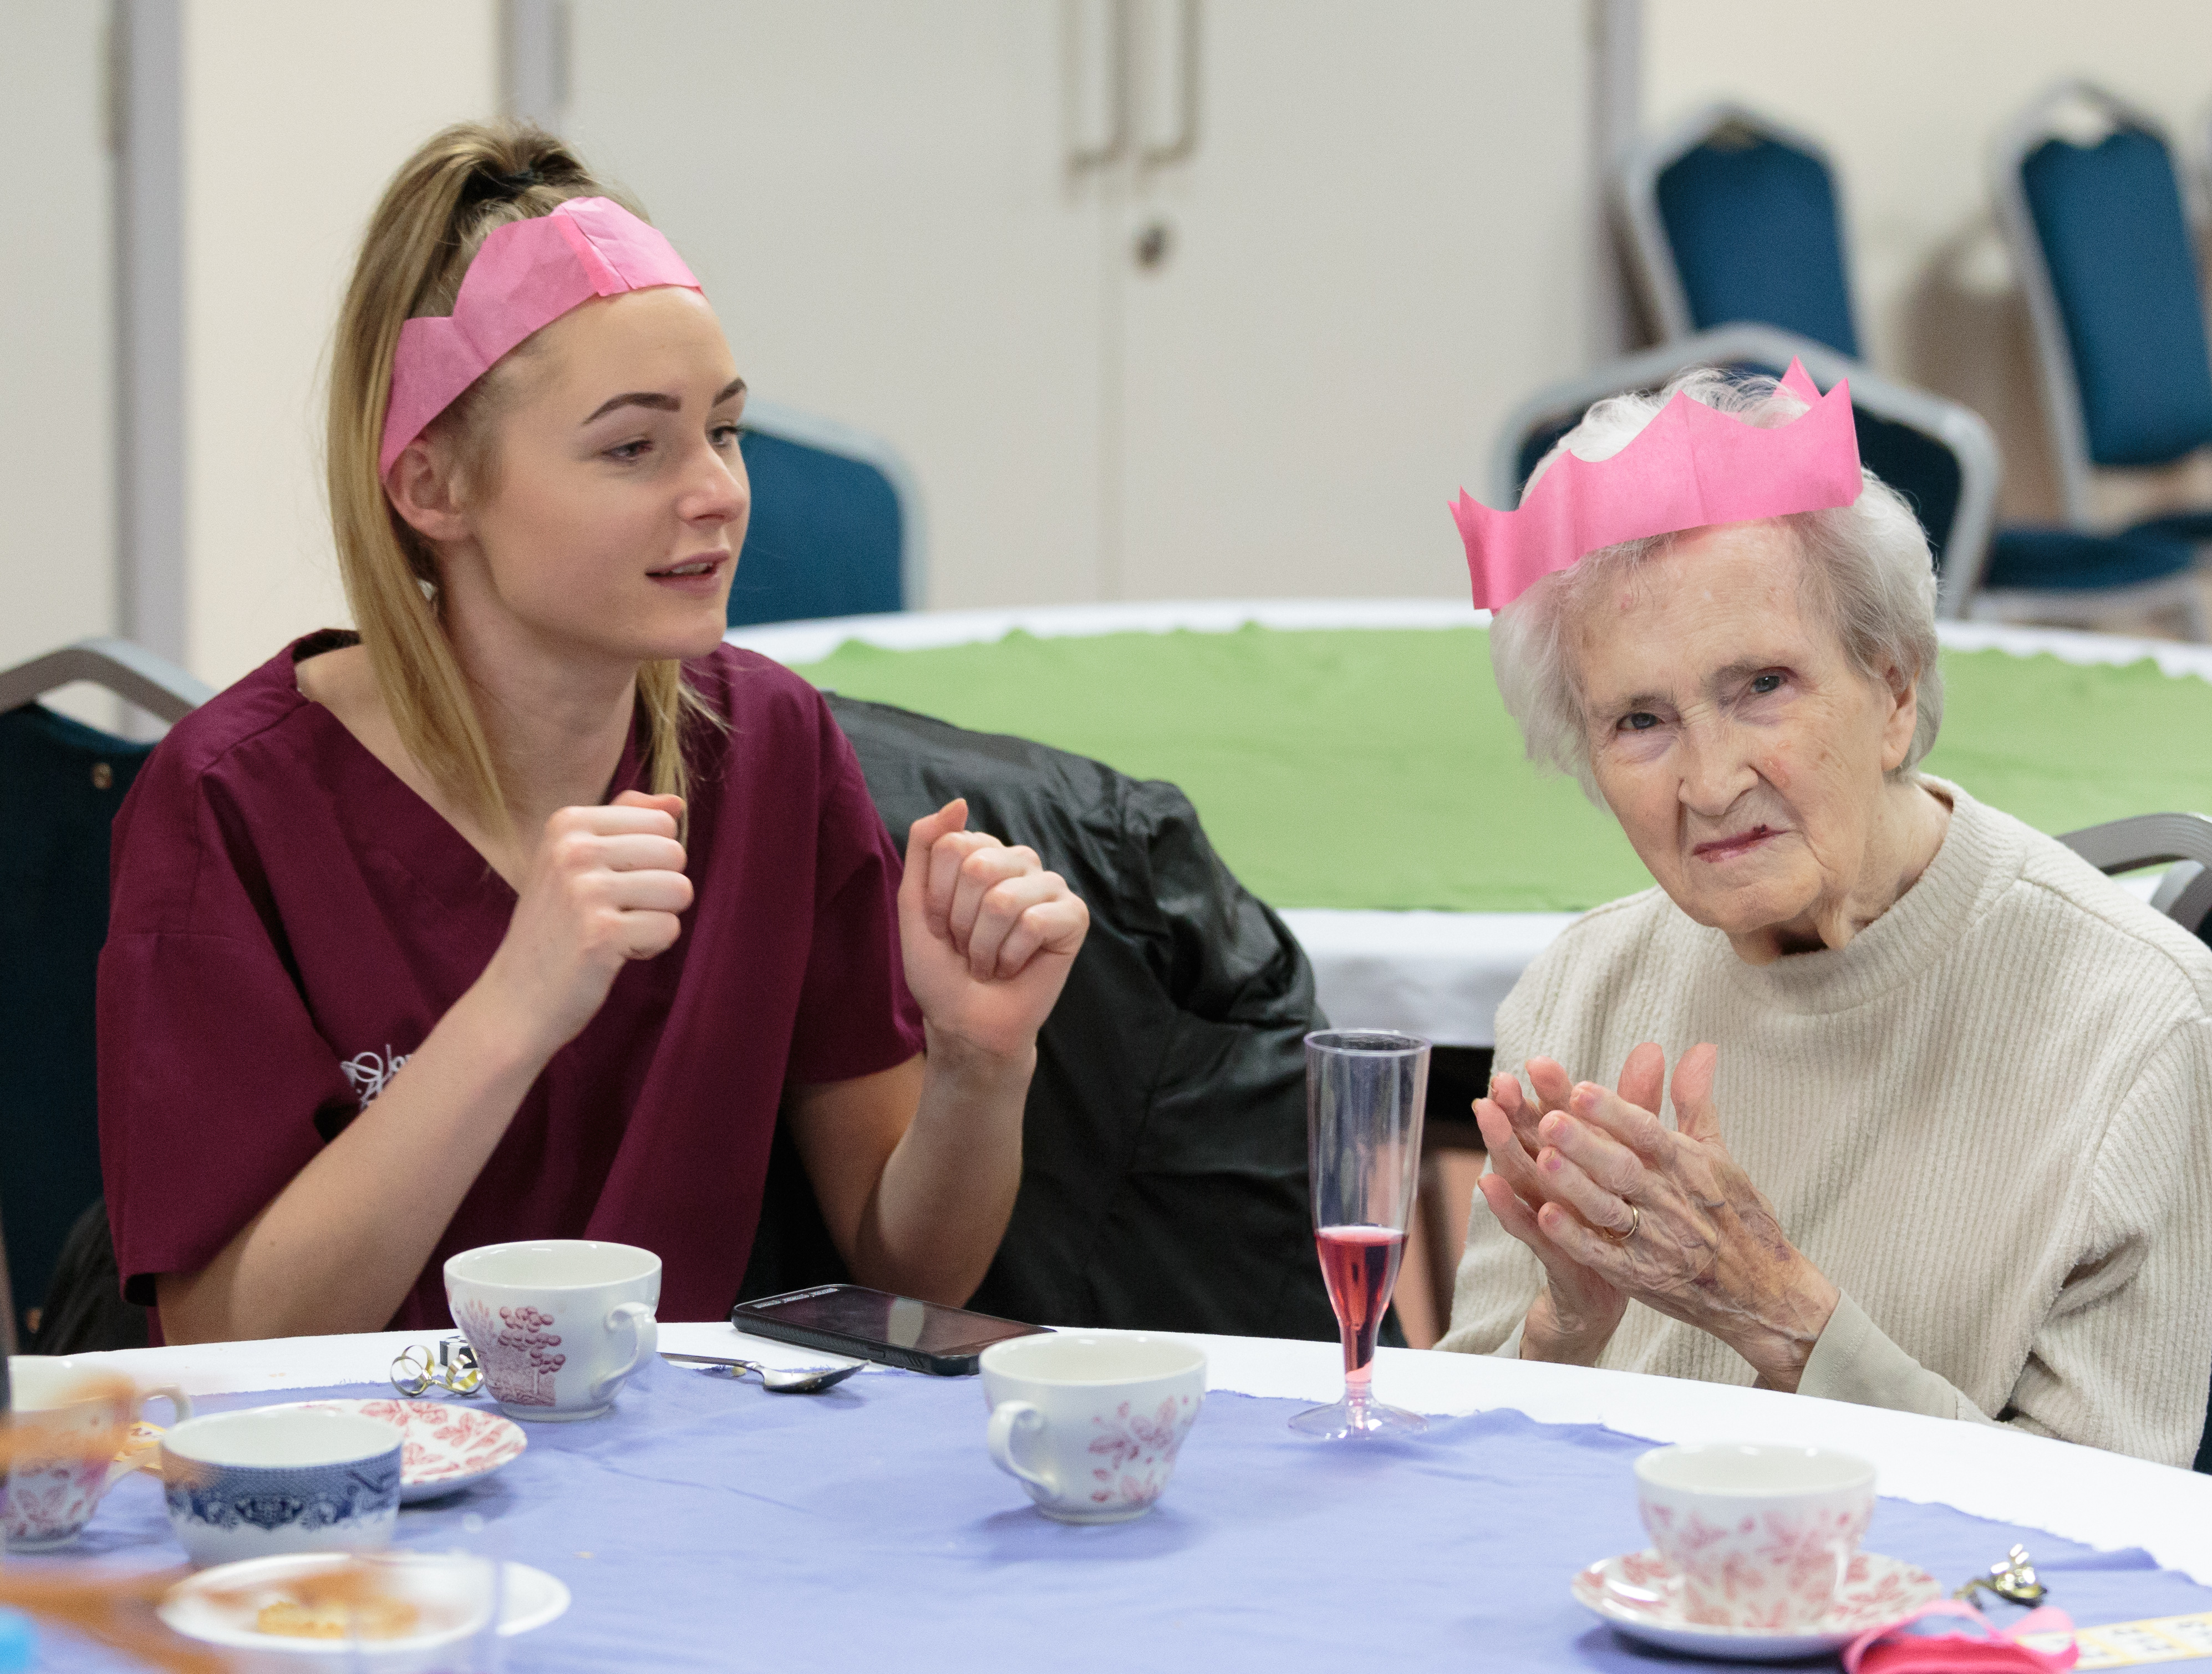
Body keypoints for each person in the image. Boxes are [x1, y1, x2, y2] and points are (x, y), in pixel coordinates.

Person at [96, 122, 1089, 1345]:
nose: (718, 492)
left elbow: (908, 1264)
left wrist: (981, 1065)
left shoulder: (769, 749)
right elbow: (227, 1343)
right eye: (632, 446)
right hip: (368, 1459)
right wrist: (513, 1006)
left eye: (724, 430)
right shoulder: (229, 802)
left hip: (679, 1453)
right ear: (432, 487)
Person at [1437, 362, 2212, 1466]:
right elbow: (1461, 1466)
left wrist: (1784, 1319)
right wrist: (1562, 1335)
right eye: (1640, 721)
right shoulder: (1581, 987)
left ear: (1893, 692)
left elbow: (2100, 1537)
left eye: (1762, 686)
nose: (1710, 783)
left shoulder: (2139, 1021)